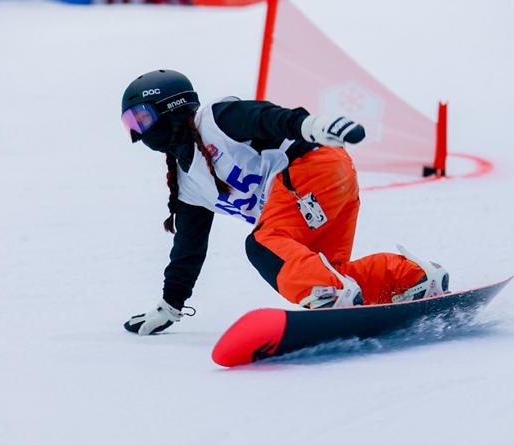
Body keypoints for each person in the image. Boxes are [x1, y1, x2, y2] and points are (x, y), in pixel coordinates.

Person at [122, 69, 449, 335]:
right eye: (131, 124)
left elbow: (264, 117)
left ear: (171, 108)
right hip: (325, 185)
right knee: (324, 270)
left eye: (141, 119)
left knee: (263, 245)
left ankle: (333, 296)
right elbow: (188, 248)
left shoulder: (215, 120)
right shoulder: (188, 183)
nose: (138, 132)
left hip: (312, 166)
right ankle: (412, 278)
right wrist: (170, 305)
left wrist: (309, 125)